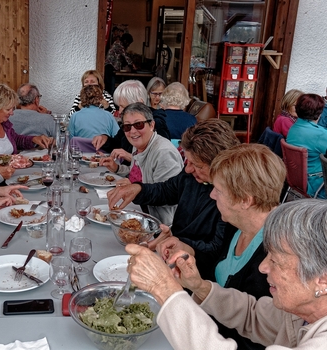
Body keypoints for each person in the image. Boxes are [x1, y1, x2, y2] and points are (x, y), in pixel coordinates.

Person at [126, 199, 327, 349]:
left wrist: (164, 288)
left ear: (323, 278)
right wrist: (199, 286)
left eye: (275, 260)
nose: (263, 267)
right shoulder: (304, 312)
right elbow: (253, 315)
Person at [159, 144, 286, 349]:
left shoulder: (277, 258)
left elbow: (251, 338)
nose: (212, 195)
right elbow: (218, 266)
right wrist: (188, 250)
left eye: (219, 190)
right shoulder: (235, 225)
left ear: (245, 200)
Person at [107, 119, 240, 279]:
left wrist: (176, 241)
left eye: (197, 165)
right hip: (168, 254)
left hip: (194, 275)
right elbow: (167, 190)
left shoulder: (230, 197)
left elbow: (215, 251)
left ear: (219, 164)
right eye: (188, 161)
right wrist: (138, 188)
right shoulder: (192, 176)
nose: (188, 168)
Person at [100, 103, 183, 225]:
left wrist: (136, 188)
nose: (133, 131)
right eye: (127, 127)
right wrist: (117, 168)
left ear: (152, 125)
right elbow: (137, 174)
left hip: (159, 224)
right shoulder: (139, 144)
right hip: (138, 210)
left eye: (138, 124)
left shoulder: (164, 153)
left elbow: (167, 195)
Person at [92, 80, 170, 157]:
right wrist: (104, 139)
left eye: (123, 106)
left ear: (139, 103)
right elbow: (117, 144)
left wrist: (130, 157)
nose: (120, 111)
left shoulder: (156, 123)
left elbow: (160, 157)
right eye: (119, 106)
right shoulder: (128, 121)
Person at [287, 93, 327, 199]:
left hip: (297, 179)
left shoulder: (293, 128)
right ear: (320, 112)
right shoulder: (320, 134)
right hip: (317, 185)